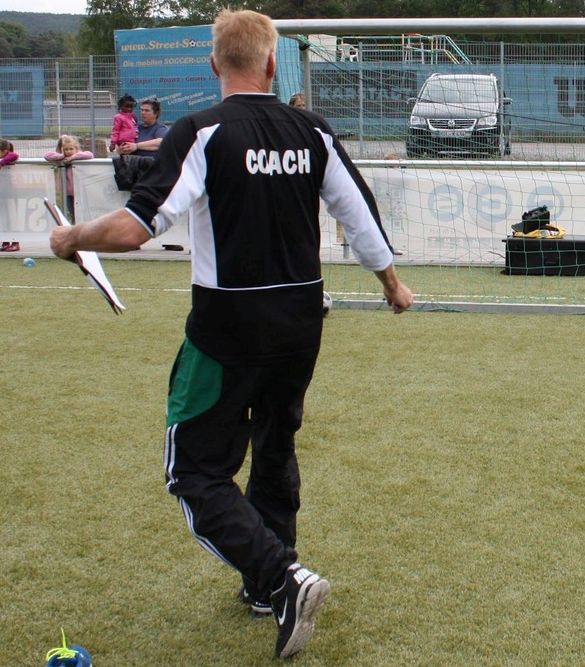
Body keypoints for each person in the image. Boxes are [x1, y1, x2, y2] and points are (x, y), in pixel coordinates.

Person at [49, 8, 414, 660]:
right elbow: (356, 212)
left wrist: (70, 236)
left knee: (194, 471)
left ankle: (280, 577)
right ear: (272, 64)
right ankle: (266, 582)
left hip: (227, 326)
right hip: (303, 321)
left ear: (215, 64)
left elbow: (136, 227)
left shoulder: (202, 131)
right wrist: (390, 283)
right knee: (275, 444)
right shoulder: (311, 129)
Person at [45, 134, 94, 221]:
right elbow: (47, 155)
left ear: (76, 148)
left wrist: (72, 157)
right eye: (66, 149)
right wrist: (61, 156)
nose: (69, 151)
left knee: (81, 213)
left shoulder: (78, 156)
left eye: (71, 149)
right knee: (72, 213)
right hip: (67, 193)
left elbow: (90, 155)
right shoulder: (61, 158)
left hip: (79, 191)